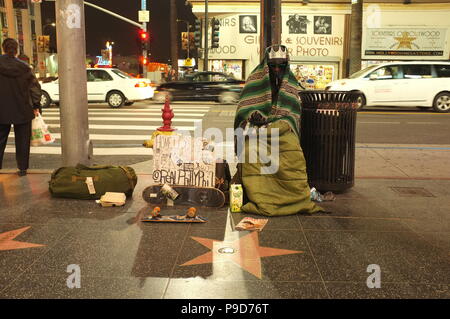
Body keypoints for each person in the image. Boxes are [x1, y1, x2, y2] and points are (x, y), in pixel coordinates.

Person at [232, 45, 323, 216]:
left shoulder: (291, 83)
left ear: (286, 65)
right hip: (257, 129)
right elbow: (244, 109)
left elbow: (293, 113)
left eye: (280, 66)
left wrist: (279, 123)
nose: (276, 69)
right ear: (266, 64)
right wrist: (254, 115)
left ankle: (294, 198)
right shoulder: (254, 78)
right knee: (251, 151)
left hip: (282, 128)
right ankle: (260, 198)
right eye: (272, 65)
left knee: (292, 153)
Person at [0, 38, 42, 176]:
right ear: (16, 50)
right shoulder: (25, 67)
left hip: (1, 109)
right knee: (23, 140)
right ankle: (22, 168)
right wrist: (36, 105)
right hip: (23, 108)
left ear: (3, 48)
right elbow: (35, 88)